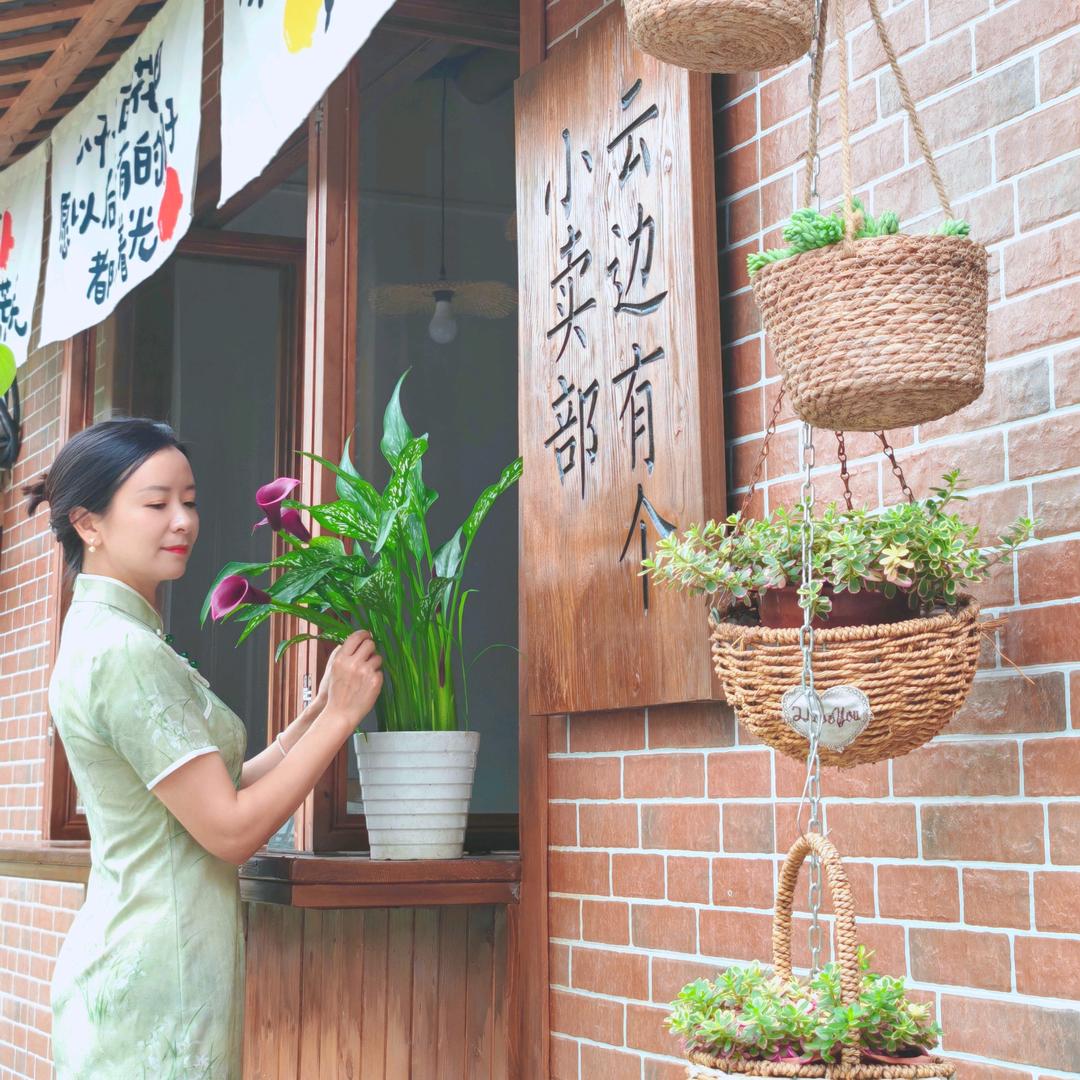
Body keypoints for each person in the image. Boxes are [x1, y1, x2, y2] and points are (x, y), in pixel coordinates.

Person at [24, 418, 383, 1079]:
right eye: (156, 503)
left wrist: (319, 711)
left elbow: (210, 793)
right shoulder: (127, 652)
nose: (182, 520)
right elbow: (229, 829)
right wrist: (342, 720)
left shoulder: (106, 634)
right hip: (160, 982)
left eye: (187, 500)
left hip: (145, 964)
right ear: (89, 524)